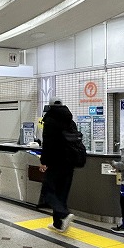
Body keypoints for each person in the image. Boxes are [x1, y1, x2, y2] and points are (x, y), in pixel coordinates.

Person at [40, 98, 76, 232]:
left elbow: (47, 143)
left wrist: (44, 161)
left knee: (48, 191)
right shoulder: (70, 121)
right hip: (70, 162)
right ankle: (58, 223)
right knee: (62, 193)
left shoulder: (50, 120)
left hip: (55, 162)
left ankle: (64, 214)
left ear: (50, 106)